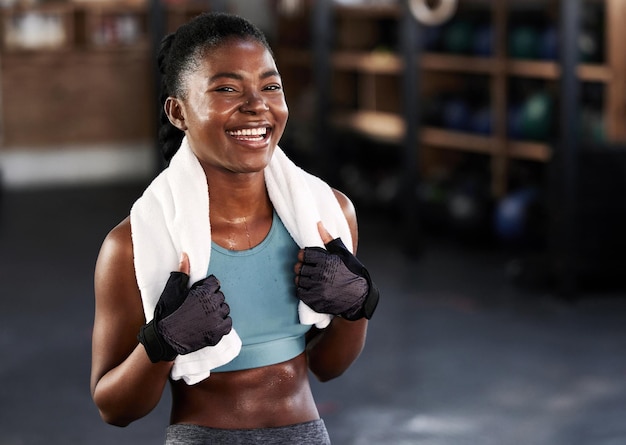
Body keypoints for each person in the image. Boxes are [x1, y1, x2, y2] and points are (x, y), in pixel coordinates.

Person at [90, 11, 379, 445]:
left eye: (270, 86)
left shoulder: (328, 215)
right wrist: (162, 342)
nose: (257, 105)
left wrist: (357, 306)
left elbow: (327, 367)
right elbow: (113, 407)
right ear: (178, 112)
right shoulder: (133, 245)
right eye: (227, 88)